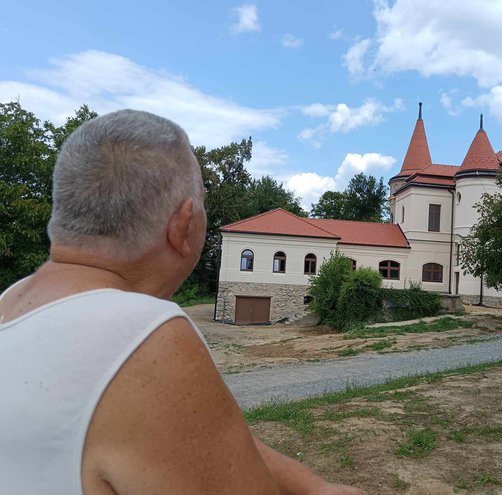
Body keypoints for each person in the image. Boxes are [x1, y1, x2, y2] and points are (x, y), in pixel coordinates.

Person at [0, 110, 363, 495]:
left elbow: (191, 434)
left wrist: (311, 486)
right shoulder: (143, 335)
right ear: (184, 224)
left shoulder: (12, 304)